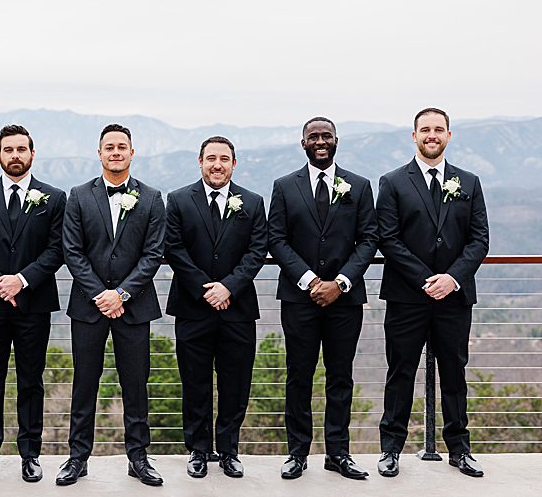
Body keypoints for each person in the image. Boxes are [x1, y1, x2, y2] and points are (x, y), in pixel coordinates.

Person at [376, 107, 489, 478]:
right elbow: (388, 239)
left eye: (438, 129)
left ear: (448, 136)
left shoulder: (469, 182)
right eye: (425, 129)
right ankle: (390, 449)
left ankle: (459, 448)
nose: (432, 135)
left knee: (455, 374)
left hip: (454, 298)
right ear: (414, 136)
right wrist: (427, 279)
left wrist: (451, 278)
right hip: (407, 296)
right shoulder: (392, 182)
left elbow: (479, 240)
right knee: (400, 373)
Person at [267, 117, 378, 481]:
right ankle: (297, 453)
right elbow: (277, 239)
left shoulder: (359, 187)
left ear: (336, 141)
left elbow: (368, 239)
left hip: (344, 301)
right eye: (313, 137)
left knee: (340, 377)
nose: (320, 141)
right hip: (299, 300)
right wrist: (311, 280)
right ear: (302, 143)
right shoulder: (284, 187)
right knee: (299, 376)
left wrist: (340, 282)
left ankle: (338, 453)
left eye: (325, 136)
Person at [56, 124, 166, 486]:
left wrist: (122, 294)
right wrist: (100, 294)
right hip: (88, 307)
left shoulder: (151, 197)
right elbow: (72, 251)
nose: (116, 152)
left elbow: (153, 254)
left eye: (122, 147)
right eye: (109, 147)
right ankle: (77, 458)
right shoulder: (78, 195)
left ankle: (138, 457)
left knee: (136, 384)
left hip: (134, 308)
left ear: (132, 153)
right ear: (99, 152)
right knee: (84, 382)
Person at [0, 124, 66, 483]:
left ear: (32, 154)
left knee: (30, 380)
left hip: (33, 304)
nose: (15, 155)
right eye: (9, 150)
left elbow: (57, 250)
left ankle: (30, 453)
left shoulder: (53, 198)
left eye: (22, 149)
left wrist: (21, 280)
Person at [164, 136, 268, 479]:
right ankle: (197, 449)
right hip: (193, 307)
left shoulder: (252, 202)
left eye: (224, 158)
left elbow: (257, 251)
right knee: (194, 383)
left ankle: (228, 450)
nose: (217, 164)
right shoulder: (178, 200)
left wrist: (229, 287)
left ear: (234, 164)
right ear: (200, 162)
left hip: (236, 309)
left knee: (235, 383)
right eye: (211, 158)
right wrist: (204, 288)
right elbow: (174, 249)